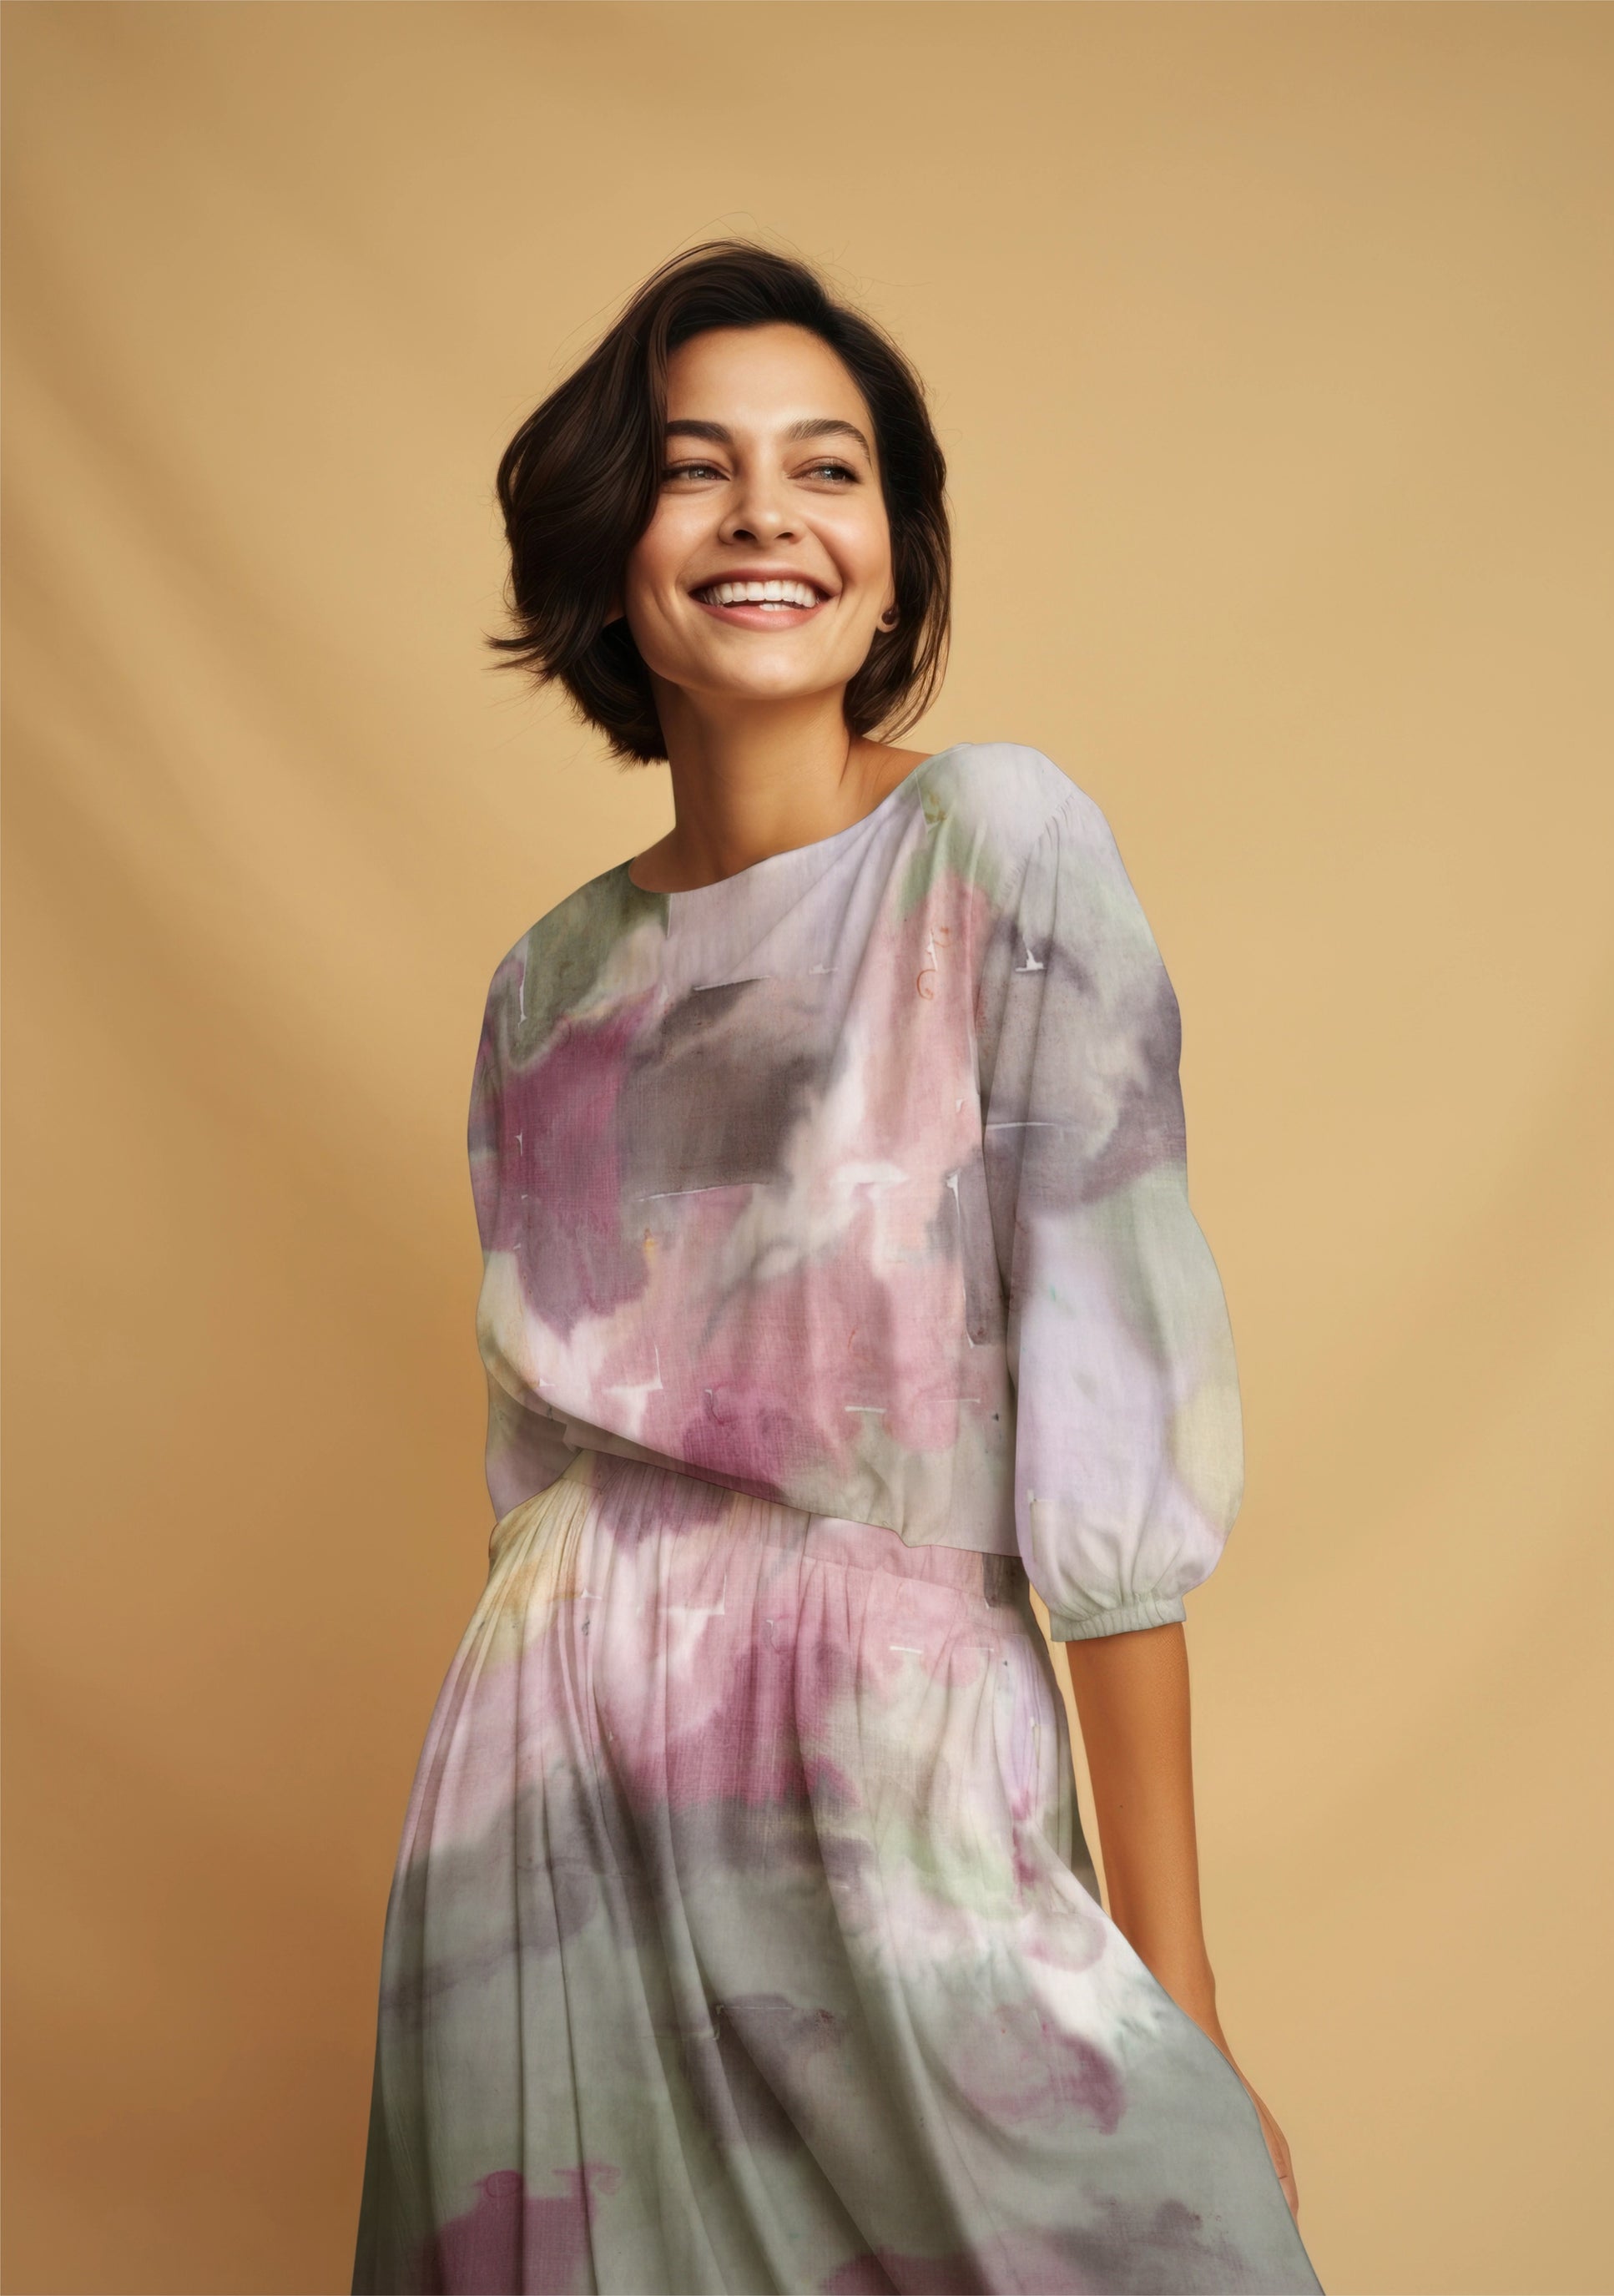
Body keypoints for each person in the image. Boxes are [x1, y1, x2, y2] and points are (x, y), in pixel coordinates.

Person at [351, 240, 1324, 2296]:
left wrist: (1177, 1988)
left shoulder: (998, 849)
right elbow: (535, 1477)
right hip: (557, 1807)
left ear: (892, 558)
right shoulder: (545, 984)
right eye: (695, 468)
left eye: (827, 467)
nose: (765, 515)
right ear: (612, 549)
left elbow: (1111, 1426)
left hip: (902, 1777)